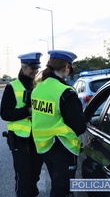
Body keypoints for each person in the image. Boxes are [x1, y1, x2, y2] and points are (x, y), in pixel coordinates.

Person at [31, 50, 87, 197]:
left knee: (57, 186)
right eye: (70, 68)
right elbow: (79, 126)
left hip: (45, 146)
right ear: (66, 67)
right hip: (63, 147)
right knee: (61, 191)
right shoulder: (65, 92)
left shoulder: (38, 87)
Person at [0, 52, 44, 197]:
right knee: (24, 176)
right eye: (32, 68)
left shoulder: (40, 86)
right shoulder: (12, 87)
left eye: (37, 68)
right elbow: (5, 113)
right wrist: (27, 111)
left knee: (35, 174)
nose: (35, 71)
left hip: (37, 138)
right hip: (20, 139)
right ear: (23, 68)